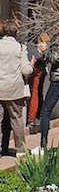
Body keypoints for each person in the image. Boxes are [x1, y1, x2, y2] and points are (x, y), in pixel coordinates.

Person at [0, 18, 33, 157]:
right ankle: (20, 149)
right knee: (17, 119)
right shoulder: (20, 47)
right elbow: (26, 71)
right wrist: (31, 64)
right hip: (14, 89)